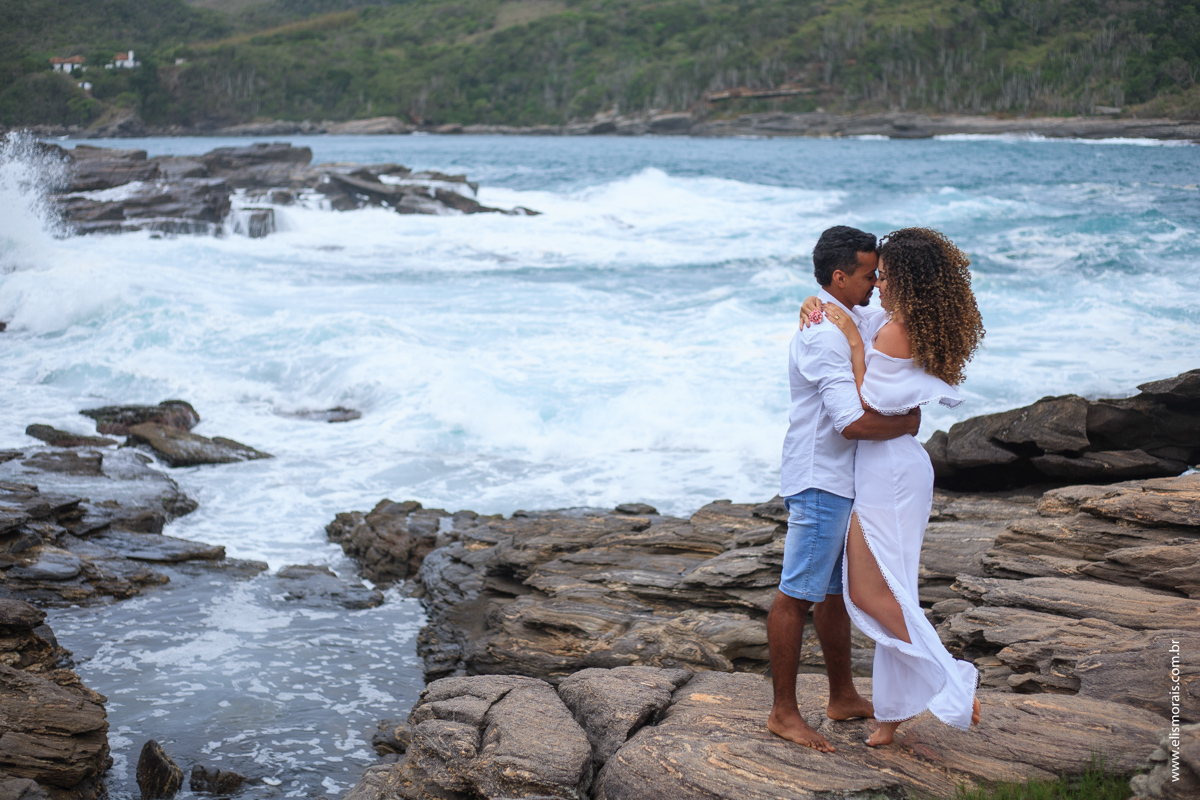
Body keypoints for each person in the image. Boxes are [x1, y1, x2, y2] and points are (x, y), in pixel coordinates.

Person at [822, 227, 986, 746]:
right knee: (894, 590)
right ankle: (891, 715)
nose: (878, 284)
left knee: (873, 594)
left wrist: (849, 340)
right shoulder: (904, 323)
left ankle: (951, 680)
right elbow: (852, 311)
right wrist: (818, 301)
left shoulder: (896, 332)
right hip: (889, 466)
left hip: (889, 471)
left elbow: (869, 405)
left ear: (907, 282)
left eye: (885, 276)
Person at [767, 226, 922, 753]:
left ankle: (842, 696)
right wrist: (906, 425)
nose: (877, 283)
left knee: (834, 593)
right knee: (797, 595)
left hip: (845, 480)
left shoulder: (850, 315)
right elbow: (851, 423)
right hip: (819, 480)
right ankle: (783, 713)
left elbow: (898, 322)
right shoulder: (823, 334)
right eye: (869, 275)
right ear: (840, 276)